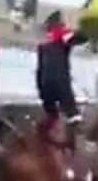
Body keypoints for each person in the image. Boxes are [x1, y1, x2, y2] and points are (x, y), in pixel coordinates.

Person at [35, 10, 89, 149]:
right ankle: (73, 147)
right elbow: (77, 38)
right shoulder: (61, 34)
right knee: (73, 113)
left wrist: (40, 88)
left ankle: (41, 138)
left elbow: (39, 69)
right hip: (60, 79)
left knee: (52, 114)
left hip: (44, 82)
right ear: (58, 23)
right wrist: (87, 32)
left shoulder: (43, 42)